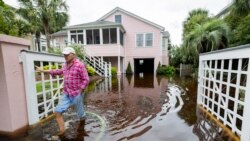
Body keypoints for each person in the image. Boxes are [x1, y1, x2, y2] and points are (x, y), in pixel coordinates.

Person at [36, 47, 89, 136]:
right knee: (57, 112)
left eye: (67, 54)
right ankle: (62, 131)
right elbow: (59, 71)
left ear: (73, 54)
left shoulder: (80, 65)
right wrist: (43, 70)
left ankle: (82, 126)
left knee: (81, 115)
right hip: (66, 93)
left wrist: (80, 91)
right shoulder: (64, 65)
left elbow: (86, 79)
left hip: (76, 94)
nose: (65, 56)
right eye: (64, 54)